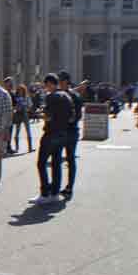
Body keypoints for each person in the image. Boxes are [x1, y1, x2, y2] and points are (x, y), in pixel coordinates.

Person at [33, 74, 73, 204]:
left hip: (51, 133)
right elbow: (72, 117)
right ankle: (55, 193)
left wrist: (39, 114)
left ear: (50, 83)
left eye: (46, 85)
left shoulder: (51, 97)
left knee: (41, 163)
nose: (45, 87)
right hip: (64, 133)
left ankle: (45, 193)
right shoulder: (67, 96)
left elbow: (48, 117)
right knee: (56, 164)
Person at [59, 72, 84, 200]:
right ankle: (55, 187)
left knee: (70, 159)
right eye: (59, 81)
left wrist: (67, 120)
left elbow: (78, 115)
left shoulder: (74, 96)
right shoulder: (57, 95)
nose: (60, 83)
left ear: (67, 82)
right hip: (58, 132)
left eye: (62, 81)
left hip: (70, 131)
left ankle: (69, 187)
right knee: (57, 160)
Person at [12, 84, 33, 153]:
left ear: (24, 90)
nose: (20, 91)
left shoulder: (26, 97)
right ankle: (17, 148)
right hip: (18, 114)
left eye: (22, 90)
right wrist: (16, 108)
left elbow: (30, 105)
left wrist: (26, 108)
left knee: (28, 130)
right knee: (17, 131)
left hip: (25, 114)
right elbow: (13, 106)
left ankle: (30, 147)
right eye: (19, 90)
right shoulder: (15, 97)